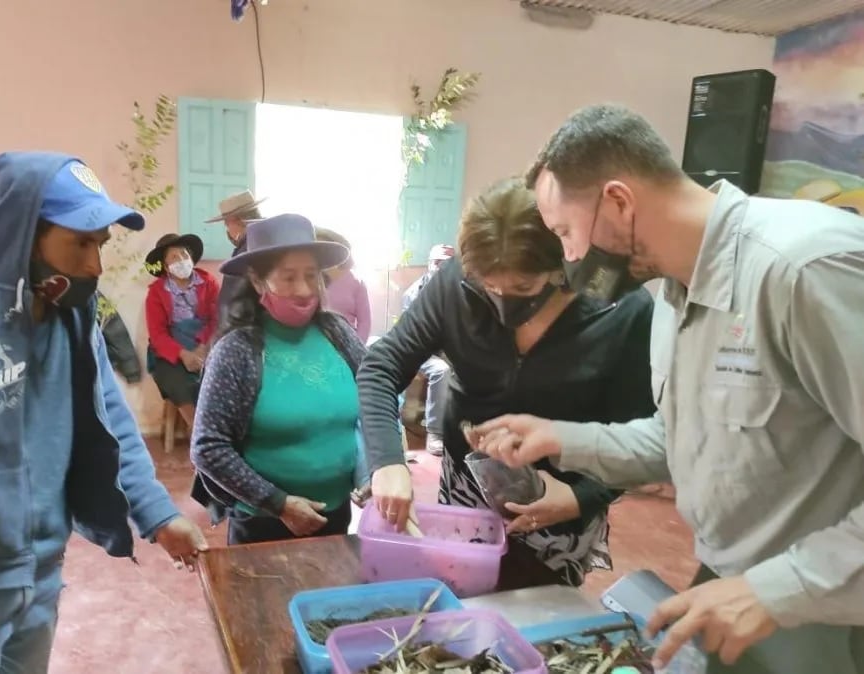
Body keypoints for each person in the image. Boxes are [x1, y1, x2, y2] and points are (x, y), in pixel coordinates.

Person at [474, 104, 864, 673]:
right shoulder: (672, 298)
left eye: (564, 232)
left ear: (618, 201)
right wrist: (561, 438)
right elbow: (682, 441)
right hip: (728, 588)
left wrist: (778, 590)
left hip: (822, 609)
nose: (570, 259)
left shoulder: (803, 268)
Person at [0, 153, 208, 674]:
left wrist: (158, 513)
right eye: (79, 242)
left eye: (100, 244)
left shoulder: (74, 320)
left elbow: (112, 422)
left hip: (40, 578)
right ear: (21, 233)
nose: (94, 266)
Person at [357, 177, 655, 586]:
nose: (501, 300)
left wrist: (579, 497)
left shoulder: (621, 308)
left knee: (539, 612)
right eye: (488, 286)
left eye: (522, 288)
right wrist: (387, 461)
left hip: (564, 494)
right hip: (469, 488)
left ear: (563, 265)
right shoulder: (455, 284)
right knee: (461, 591)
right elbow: (381, 365)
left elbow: (639, 433)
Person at [190, 213, 368, 545]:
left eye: (311, 275)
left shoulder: (337, 332)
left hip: (338, 517)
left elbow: (375, 398)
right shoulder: (237, 351)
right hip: (264, 525)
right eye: (287, 278)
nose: (303, 289)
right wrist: (280, 504)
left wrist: (374, 468)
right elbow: (208, 447)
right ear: (258, 282)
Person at [144, 232, 220, 430]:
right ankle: (200, 434)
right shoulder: (156, 292)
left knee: (220, 376)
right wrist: (184, 354)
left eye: (184, 254)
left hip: (205, 345)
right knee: (176, 381)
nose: (181, 260)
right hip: (171, 350)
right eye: (174, 257)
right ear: (165, 265)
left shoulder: (208, 282)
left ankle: (223, 431)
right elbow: (157, 334)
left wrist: (203, 348)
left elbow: (217, 319)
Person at [400, 243, 456, 456]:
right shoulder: (414, 293)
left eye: (447, 263)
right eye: (437, 262)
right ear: (429, 264)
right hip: (420, 351)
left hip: (446, 349)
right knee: (441, 370)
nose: (441, 267)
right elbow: (414, 337)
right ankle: (435, 432)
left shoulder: (458, 291)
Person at [205, 189, 265, 327]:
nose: (227, 230)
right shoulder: (265, 240)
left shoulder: (247, 251)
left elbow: (234, 297)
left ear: (238, 221)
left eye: (227, 224)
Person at [314, 227, 372, 342]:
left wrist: (357, 347)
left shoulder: (356, 281)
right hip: (317, 343)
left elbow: (365, 322)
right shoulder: (310, 276)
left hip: (348, 343)